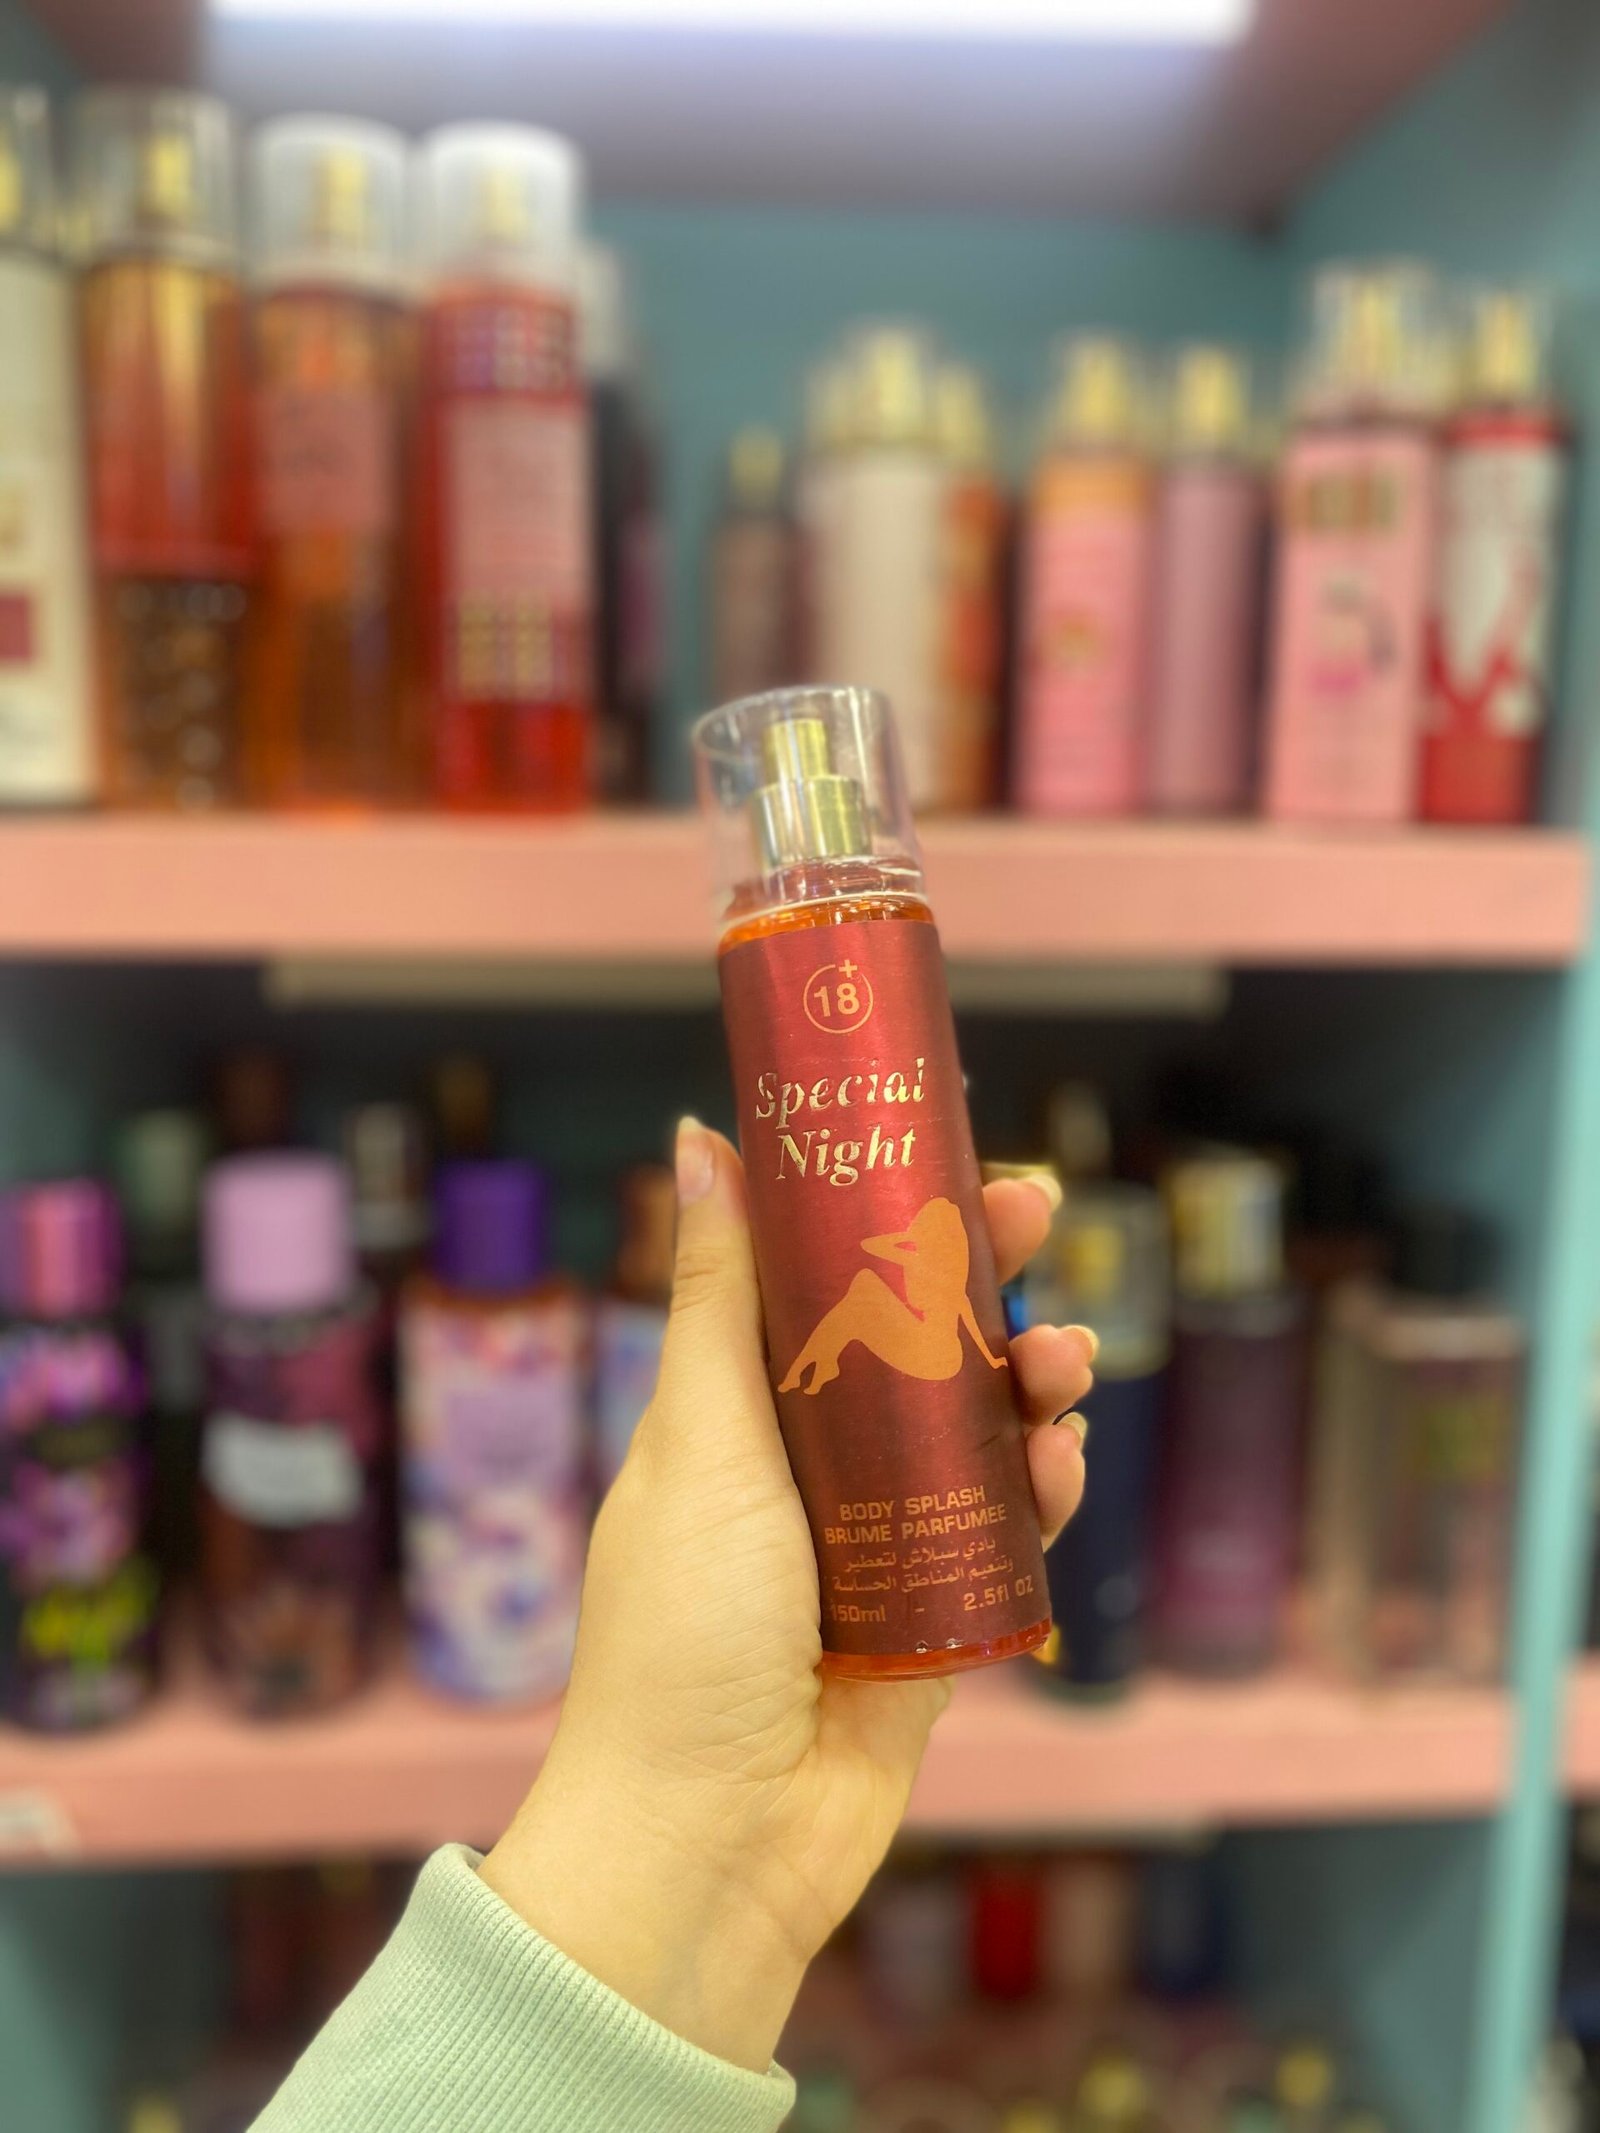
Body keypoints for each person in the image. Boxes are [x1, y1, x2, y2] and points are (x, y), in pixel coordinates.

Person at [254, 1118, 1093, 2133]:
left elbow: (931, 1291)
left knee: (880, 1328)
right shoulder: (927, 1243)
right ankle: (817, 1376)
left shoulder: (938, 1248)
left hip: (913, 1360)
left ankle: (819, 1376)